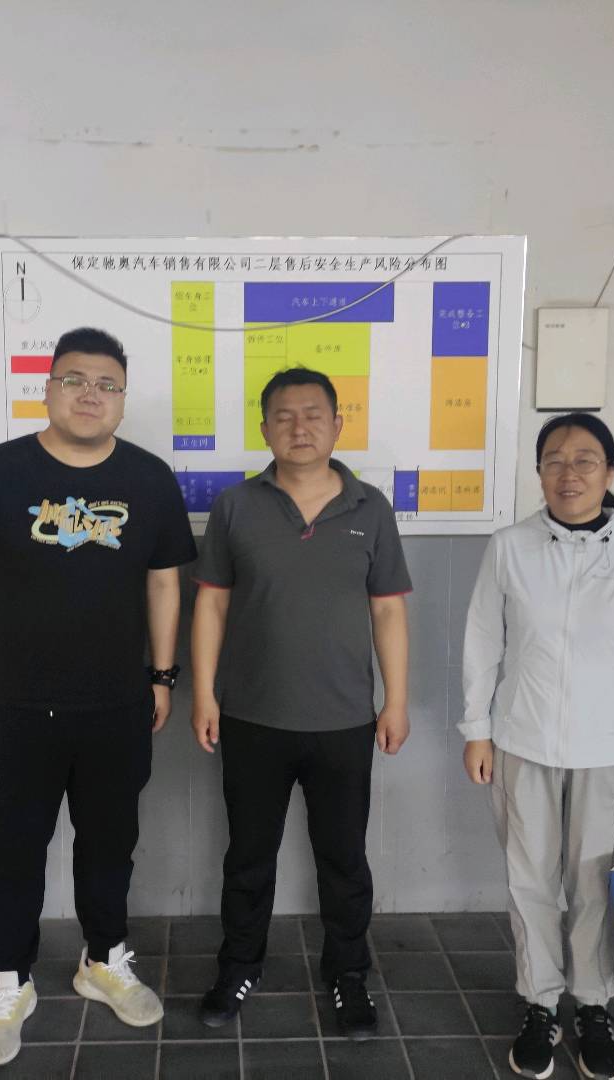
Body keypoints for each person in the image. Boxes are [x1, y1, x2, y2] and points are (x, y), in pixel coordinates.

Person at [0, 327, 197, 1068]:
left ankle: (102, 960)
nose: (90, 394)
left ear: (123, 399)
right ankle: (9, 981)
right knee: (14, 852)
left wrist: (162, 676)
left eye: (107, 384)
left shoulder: (149, 478)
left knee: (110, 844)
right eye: (74, 379)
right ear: (47, 389)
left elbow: (165, 583)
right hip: (12, 707)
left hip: (116, 706)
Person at [190, 367, 412, 1040]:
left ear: (338, 424)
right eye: (284, 416)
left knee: (343, 859)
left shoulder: (371, 508)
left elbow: (388, 612)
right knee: (247, 857)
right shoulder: (236, 506)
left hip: (345, 721)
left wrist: (396, 701)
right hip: (251, 716)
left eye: (314, 414)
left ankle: (348, 973)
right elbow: (212, 605)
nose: (300, 426)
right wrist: (204, 693)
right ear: (265, 429)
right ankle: (239, 966)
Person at [460, 412, 614, 1080]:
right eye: (554, 460)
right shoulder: (510, 548)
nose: (569, 473)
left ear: (610, 471)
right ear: (538, 472)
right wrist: (477, 730)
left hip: (612, 751)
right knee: (529, 879)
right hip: (522, 742)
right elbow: (483, 642)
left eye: (585, 460)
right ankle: (539, 1001)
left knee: (593, 887)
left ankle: (591, 1004)